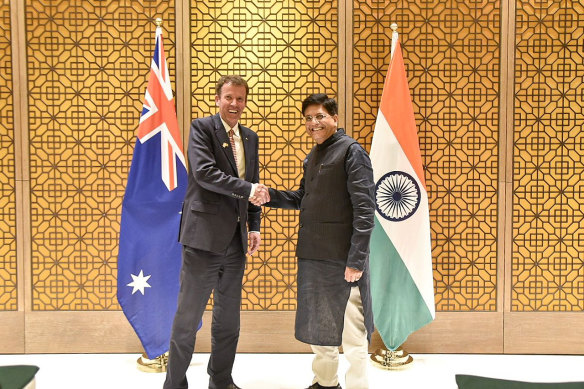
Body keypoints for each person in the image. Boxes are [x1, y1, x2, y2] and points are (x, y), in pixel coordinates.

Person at [258, 93, 375, 389]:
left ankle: (359, 386)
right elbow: (302, 199)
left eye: (320, 116)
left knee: (352, 335)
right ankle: (325, 382)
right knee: (320, 330)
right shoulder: (314, 156)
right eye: (308, 118)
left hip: (343, 261)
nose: (314, 123)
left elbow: (365, 210)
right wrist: (269, 195)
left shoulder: (351, 152)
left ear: (335, 118)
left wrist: (356, 261)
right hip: (313, 257)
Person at [163, 75, 269, 389]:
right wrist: (249, 188)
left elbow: (253, 181)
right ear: (217, 99)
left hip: (235, 243)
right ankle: (174, 384)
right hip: (203, 239)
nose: (234, 104)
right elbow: (205, 174)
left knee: (228, 320)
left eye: (240, 98)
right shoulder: (201, 128)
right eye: (228, 98)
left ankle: (221, 380)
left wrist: (255, 226)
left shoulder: (249, 137)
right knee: (187, 319)